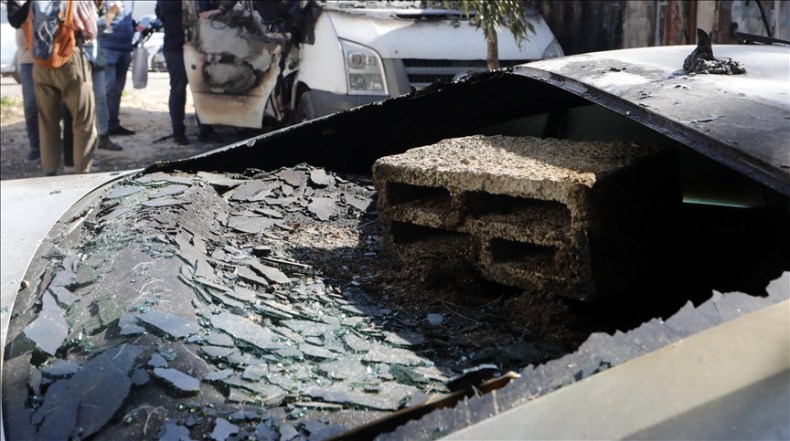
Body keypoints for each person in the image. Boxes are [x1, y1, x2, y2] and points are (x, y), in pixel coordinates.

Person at [26, 0, 98, 176]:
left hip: (41, 62)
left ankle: (50, 172)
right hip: (69, 58)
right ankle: (82, 172)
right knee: (83, 119)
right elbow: (91, 31)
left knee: (47, 121)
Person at [155, 0, 223, 145]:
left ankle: (206, 129)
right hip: (175, 47)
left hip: (200, 47)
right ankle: (178, 130)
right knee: (178, 89)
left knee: (202, 88)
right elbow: (161, 14)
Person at [6, 0, 40, 162]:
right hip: (28, 60)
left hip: (52, 58)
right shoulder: (15, 2)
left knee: (53, 106)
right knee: (31, 106)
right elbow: (15, 20)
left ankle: (54, 144)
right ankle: (36, 147)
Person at [97, 0, 135, 136]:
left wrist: (136, 27)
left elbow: (127, 19)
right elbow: (97, 23)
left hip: (125, 48)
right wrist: (111, 12)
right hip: (107, 48)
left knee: (117, 90)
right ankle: (102, 127)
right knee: (107, 89)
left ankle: (113, 124)